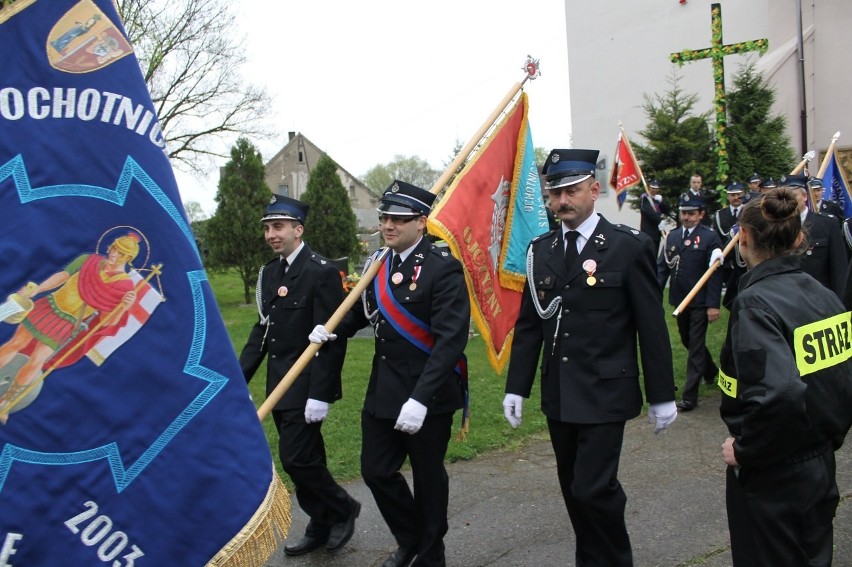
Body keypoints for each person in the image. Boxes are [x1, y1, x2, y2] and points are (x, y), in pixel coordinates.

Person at [502, 149, 676, 567]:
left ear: (594, 190)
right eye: (554, 193)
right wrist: (516, 387)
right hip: (560, 393)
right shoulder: (540, 250)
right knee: (572, 488)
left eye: (571, 192)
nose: (562, 201)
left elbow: (651, 327)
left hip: (604, 390)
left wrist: (661, 394)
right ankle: (591, 558)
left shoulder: (628, 247)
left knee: (593, 489)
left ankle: (616, 559)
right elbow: (530, 326)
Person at [310, 180, 470, 567]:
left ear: (421, 222)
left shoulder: (443, 269)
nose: (388, 225)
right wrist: (331, 329)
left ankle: (432, 554)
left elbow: (450, 341)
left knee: (429, 479)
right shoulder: (377, 263)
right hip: (384, 390)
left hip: (427, 396)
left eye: (399, 219)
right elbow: (362, 312)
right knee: (376, 471)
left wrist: (420, 399)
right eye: (385, 217)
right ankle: (411, 538)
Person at [719, 187, 852, 566]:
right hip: (819, 465)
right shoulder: (825, 295)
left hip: (773, 475)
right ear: (798, 238)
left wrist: (745, 450)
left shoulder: (755, 303)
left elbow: (779, 395)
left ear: (743, 237)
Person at [239, 195, 360, 557]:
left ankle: (343, 509)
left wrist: (320, 393)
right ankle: (321, 523)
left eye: (278, 227)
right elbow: (262, 332)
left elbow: (332, 338)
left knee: (296, 459)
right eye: (267, 228)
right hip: (278, 383)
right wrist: (237, 379)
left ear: (298, 229)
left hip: (305, 385)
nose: (271, 235)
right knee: (308, 458)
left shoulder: (320, 271)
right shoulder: (270, 273)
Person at [0, 232, 141, 424]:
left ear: (129, 258)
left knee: (37, 361)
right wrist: (37, 290)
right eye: (114, 248)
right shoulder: (88, 260)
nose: (114, 254)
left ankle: (5, 401)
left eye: (121, 253)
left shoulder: (125, 287)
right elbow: (62, 276)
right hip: (48, 306)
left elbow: (106, 322)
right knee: (16, 343)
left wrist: (123, 307)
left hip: (67, 323)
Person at [658, 194, 723, 411]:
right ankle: (711, 370)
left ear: (701, 214)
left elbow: (714, 274)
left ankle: (689, 396)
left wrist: (713, 304)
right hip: (679, 300)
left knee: (695, 347)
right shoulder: (673, 237)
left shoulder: (710, 237)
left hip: (699, 301)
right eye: (684, 213)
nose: (686, 217)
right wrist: (653, 298)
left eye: (691, 213)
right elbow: (662, 269)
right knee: (687, 340)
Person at [783, 175, 846, 300]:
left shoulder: (827, 225)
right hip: (787, 299)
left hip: (820, 300)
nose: (789, 202)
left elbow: (839, 270)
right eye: (785, 198)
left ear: (805, 196)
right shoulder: (775, 227)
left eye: (794, 197)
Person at [713, 181, 747, 308]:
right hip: (726, 260)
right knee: (730, 295)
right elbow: (717, 236)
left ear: (743, 194)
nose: (736, 198)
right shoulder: (720, 214)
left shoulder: (748, 212)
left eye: (738, 194)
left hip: (743, 260)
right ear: (728, 197)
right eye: (732, 195)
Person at [638, 179, 671, 253]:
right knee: (648, 252)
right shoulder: (644, 198)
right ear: (649, 188)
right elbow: (648, 212)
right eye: (653, 188)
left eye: (656, 189)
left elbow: (667, 210)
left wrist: (661, 202)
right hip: (648, 230)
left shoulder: (658, 198)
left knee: (655, 252)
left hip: (657, 231)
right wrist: (660, 220)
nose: (654, 190)